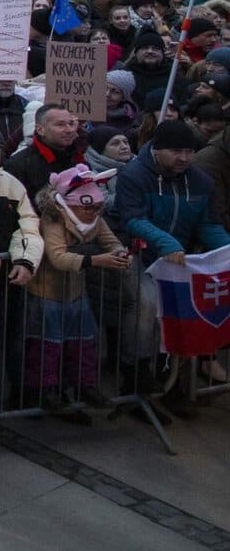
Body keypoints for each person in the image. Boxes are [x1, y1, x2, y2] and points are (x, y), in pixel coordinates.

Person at [108, 119, 229, 412]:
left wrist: (226, 251)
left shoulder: (200, 181)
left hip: (178, 262)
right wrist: (166, 243)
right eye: (176, 152)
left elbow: (207, 223)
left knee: (182, 317)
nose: (184, 158)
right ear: (158, 150)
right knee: (146, 309)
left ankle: (173, 384)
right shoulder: (134, 176)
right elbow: (133, 218)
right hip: (139, 255)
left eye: (189, 151)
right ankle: (133, 376)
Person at [25, 164, 127, 422]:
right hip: (47, 292)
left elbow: (110, 240)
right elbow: (57, 257)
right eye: (89, 208)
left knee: (83, 343)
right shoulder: (53, 218)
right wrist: (96, 261)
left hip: (75, 291)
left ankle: (86, 386)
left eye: (98, 208)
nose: (94, 213)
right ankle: (46, 391)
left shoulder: (94, 218)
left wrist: (120, 253)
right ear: (72, 203)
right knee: (47, 346)